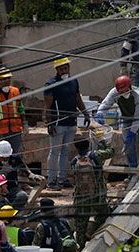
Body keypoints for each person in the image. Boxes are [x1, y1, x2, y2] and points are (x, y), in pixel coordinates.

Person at [44, 57, 91, 191]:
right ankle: (51, 180)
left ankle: (62, 178)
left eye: (66, 67)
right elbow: (47, 106)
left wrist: (85, 113)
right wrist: (50, 123)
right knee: (54, 152)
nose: (64, 70)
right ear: (57, 70)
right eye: (61, 68)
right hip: (58, 123)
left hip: (71, 122)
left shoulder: (73, 81)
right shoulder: (51, 84)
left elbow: (77, 98)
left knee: (65, 152)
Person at [96, 75, 139, 168]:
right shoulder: (114, 93)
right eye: (121, 91)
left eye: (125, 90)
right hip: (127, 118)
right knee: (128, 147)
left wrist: (131, 134)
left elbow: (137, 118)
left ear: (130, 87)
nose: (123, 92)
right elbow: (105, 103)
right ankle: (132, 169)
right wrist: (99, 113)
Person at [71, 134, 115, 248]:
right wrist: (102, 140)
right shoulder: (95, 155)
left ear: (76, 147)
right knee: (104, 216)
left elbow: (74, 180)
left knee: (80, 227)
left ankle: (80, 247)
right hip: (98, 196)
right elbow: (111, 151)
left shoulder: (74, 161)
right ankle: (95, 235)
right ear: (88, 144)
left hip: (81, 199)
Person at [0, 140, 43, 210]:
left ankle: (14, 212)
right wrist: (0, 173)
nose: (5, 159)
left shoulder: (15, 159)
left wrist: (31, 175)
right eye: (3, 157)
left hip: (12, 188)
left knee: (22, 196)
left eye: (7, 157)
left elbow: (24, 168)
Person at [0, 67, 26, 154]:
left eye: (8, 78)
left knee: (17, 155)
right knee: (1, 155)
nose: (7, 81)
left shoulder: (16, 91)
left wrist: (25, 124)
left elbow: (21, 109)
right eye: (4, 79)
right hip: (0, 131)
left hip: (15, 130)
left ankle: (16, 167)